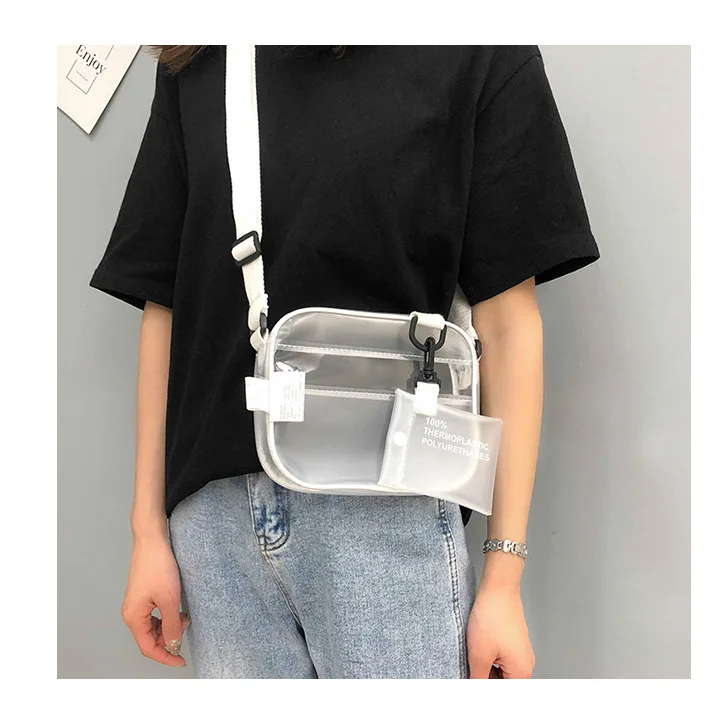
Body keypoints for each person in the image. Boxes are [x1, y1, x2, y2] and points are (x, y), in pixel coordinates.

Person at [90, 44, 600, 679]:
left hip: (385, 513)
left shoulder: (475, 45)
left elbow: (508, 323)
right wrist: (148, 530)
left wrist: (504, 571)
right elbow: (164, 303)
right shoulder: (205, 54)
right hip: (216, 529)